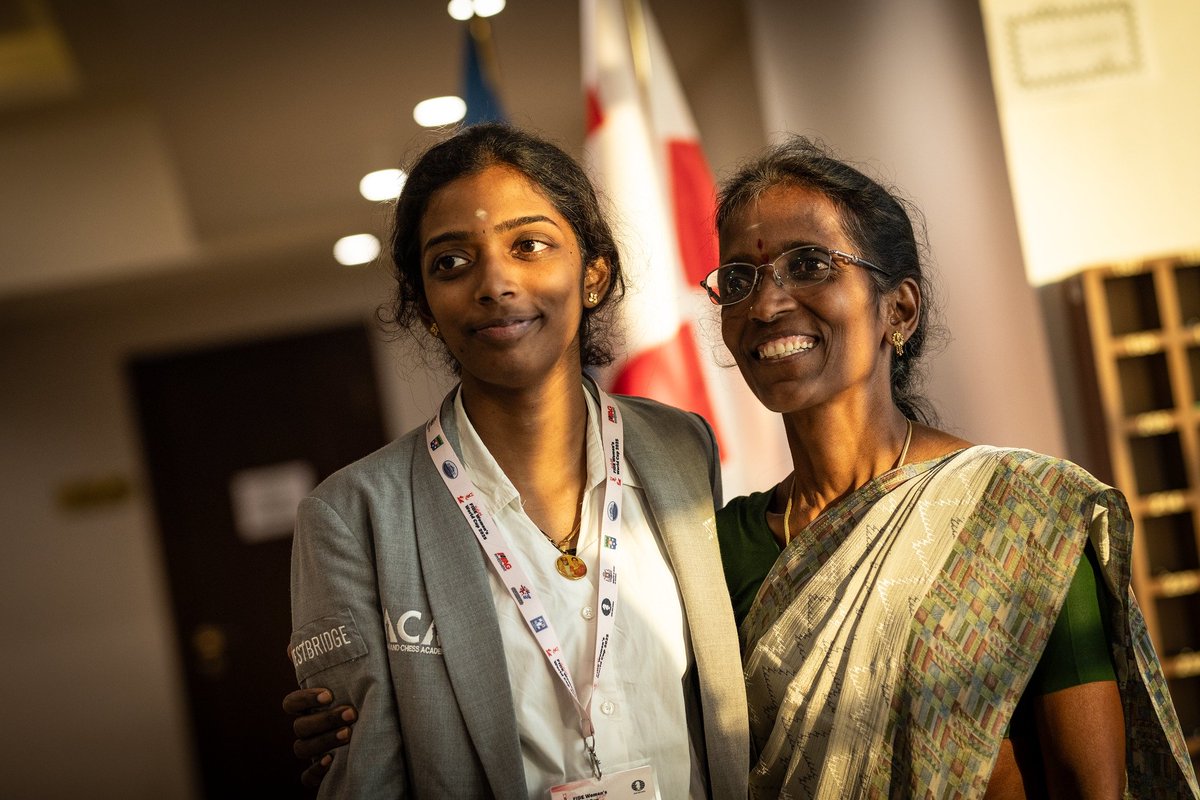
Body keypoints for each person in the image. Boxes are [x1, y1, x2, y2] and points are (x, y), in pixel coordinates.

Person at [288, 135, 1199, 798]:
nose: (770, 303)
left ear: (900, 309)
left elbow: (1092, 782)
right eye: (741, 279)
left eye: (810, 264)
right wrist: (361, 715)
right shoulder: (720, 539)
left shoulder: (1020, 516)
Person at [285, 122, 748, 798]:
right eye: (451, 262)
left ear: (593, 274)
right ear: (423, 306)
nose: (494, 282)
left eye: (529, 245)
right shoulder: (354, 516)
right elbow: (366, 776)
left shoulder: (682, 447)